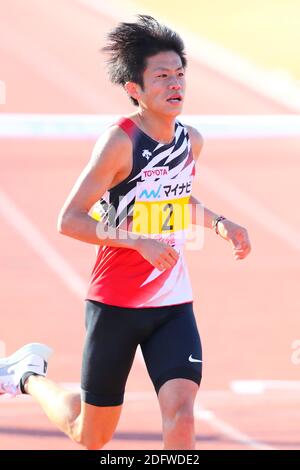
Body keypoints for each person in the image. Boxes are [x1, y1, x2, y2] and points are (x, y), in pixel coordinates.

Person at [0, 15, 251, 450]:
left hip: (173, 304)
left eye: (180, 74)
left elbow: (174, 198)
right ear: (134, 88)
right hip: (115, 304)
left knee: (182, 417)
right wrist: (137, 240)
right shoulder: (120, 142)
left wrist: (219, 222)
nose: (175, 84)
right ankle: (25, 375)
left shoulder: (190, 141)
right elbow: (70, 218)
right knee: (91, 436)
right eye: (162, 76)